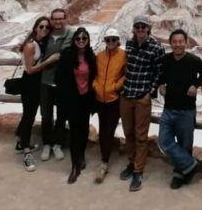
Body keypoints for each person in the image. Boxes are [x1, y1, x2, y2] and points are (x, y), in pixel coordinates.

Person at [157, 29, 202, 190]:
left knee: (185, 145)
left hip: (186, 110)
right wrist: (160, 85)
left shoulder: (194, 60)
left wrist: (196, 85)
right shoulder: (165, 60)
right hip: (169, 108)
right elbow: (161, 77)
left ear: (186, 43)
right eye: (175, 42)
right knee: (164, 141)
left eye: (181, 41)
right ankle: (190, 164)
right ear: (170, 43)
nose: (178, 45)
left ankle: (180, 174)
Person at [119, 14, 165, 191]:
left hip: (141, 98)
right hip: (127, 94)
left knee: (140, 135)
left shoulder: (156, 48)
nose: (140, 30)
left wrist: (150, 92)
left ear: (148, 29)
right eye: (137, 27)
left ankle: (138, 170)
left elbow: (159, 73)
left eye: (143, 27)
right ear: (134, 29)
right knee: (128, 132)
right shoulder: (129, 44)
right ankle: (132, 163)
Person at [14, 16, 60, 172]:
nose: (44, 30)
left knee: (29, 114)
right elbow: (30, 69)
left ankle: (21, 142)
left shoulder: (41, 42)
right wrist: (49, 61)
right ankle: (26, 153)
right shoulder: (30, 45)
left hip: (39, 84)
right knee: (29, 116)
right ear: (35, 28)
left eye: (47, 27)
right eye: (41, 27)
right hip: (30, 84)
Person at [56, 27, 97, 184]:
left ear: (88, 41)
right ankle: (75, 167)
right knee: (74, 131)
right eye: (78, 38)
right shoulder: (67, 56)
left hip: (86, 99)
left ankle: (81, 156)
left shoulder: (91, 57)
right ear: (74, 40)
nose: (81, 41)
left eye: (84, 38)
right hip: (72, 99)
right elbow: (60, 78)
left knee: (84, 129)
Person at [92, 27, 126, 183]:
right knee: (102, 128)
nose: (111, 42)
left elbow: (126, 74)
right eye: (108, 39)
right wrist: (95, 86)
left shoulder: (123, 55)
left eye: (113, 39)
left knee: (109, 130)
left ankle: (104, 162)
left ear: (118, 41)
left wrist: (115, 87)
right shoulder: (99, 56)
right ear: (105, 41)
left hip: (113, 99)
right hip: (100, 99)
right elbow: (94, 74)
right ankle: (105, 158)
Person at [39, 8, 73, 161]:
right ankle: (47, 143)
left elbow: (64, 53)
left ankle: (57, 144)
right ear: (51, 20)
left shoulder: (70, 34)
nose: (58, 22)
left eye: (61, 19)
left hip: (61, 82)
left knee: (61, 115)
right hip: (45, 81)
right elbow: (34, 46)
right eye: (55, 19)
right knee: (46, 115)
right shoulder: (45, 33)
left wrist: (51, 58)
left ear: (66, 19)